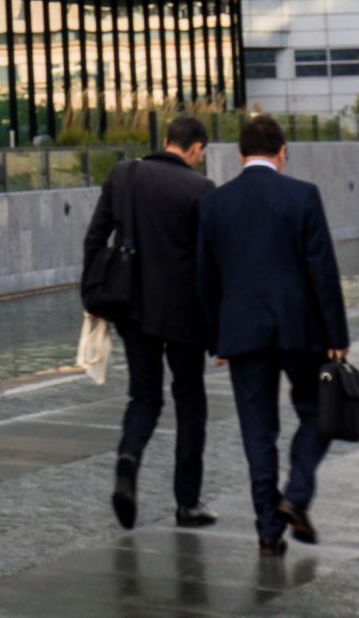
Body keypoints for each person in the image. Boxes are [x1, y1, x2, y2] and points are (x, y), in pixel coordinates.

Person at [196, 114, 349, 557]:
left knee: (257, 432)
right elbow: (323, 269)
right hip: (301, 329)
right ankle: (295, 495)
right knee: (318, 412)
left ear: (240, 154)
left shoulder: (215, 203)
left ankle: (267, 530)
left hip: (242, 332)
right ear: (282, 151)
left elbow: (205, 278)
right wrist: (337, 334)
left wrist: (217, 340)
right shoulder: (303, 195)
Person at [84, 114, 218, 530]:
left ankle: (128, 458)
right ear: (195, 149)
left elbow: (95, 237)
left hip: (132, 308)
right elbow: (209, 263)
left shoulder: (124, 175)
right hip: (184, 315)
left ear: (165, 140)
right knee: (190, 403)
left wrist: (93, 300)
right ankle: (187, 504)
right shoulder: (201, 189)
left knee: (144, 397)